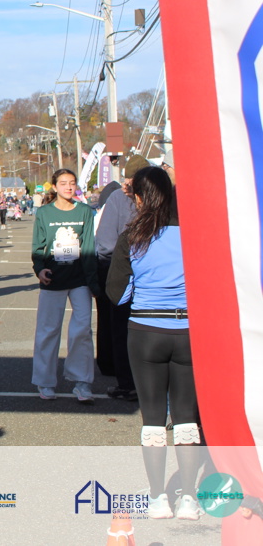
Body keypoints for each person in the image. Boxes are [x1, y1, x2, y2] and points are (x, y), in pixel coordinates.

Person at [105, 166, 201, 520]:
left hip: (146, 331)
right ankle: (189, 498)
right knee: (187, 418)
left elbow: (117, 294)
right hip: (188, 330)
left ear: (140, 198)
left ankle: (159, 497)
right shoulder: (193, 233)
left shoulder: (133, 235)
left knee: (153, 419)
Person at [30, 168, 99, 403]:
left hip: (79, 280)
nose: (68, 187)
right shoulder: (44, 213)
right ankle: (45, 381)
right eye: (63, 183)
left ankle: (82, 382)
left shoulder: (85, 211)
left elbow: (89, 247)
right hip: (53, 280)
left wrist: (93, 282)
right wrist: (40, 269)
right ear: (55, 187)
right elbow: (38, 247)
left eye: (72, 183)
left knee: (82, 330)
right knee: (48, 331)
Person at [95, 154, 148, 399]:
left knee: (120, 328)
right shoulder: (159, 198)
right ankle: (143, 381)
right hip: (150, 275)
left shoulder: (118, 198)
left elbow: (105, 244)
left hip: (122, 272)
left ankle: (126, 382)